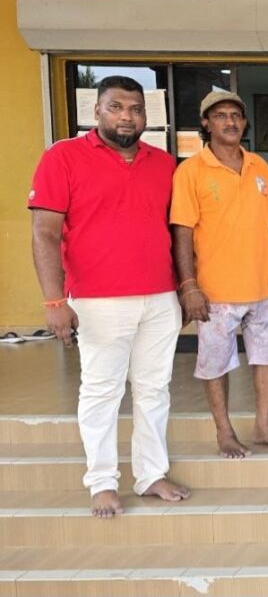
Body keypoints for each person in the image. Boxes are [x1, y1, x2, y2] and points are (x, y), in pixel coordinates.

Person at [28, 75, 191, 518]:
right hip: (98, 300)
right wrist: (54, 301)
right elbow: (44, 233)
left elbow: (179, 233)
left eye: (136, 109)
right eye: (116, 107)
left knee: (154, 389)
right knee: (102, 392)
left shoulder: (163, 164)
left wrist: (184, 288)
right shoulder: (63, 157)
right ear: (96, 110)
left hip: (160, 297)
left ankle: (151, 474)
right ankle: (102, 482)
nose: (127, 117)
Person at [170, 90, 268, 459]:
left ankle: (262, 425)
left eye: (236, 116)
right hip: (216, 291)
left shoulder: (258, 166)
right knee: (215, 364)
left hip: (264, 283)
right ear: (206, 123)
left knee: (267, 357)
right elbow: (182, 231)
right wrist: (189, 285)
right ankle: (224, 432)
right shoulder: (191, 171)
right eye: (221, 115)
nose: (230, 122)